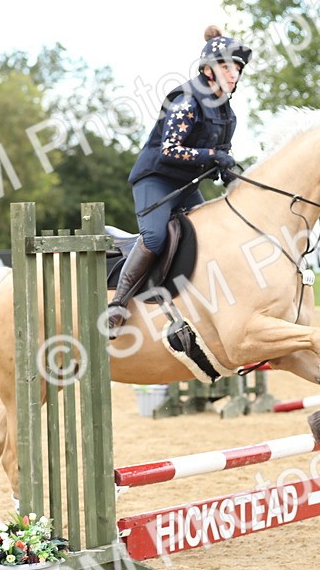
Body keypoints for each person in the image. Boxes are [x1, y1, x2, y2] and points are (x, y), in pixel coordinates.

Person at [106, 25, 253, 337]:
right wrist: (212, 154)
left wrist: (233, 177)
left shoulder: (229, 115)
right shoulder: (187, 100)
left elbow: (219, 159)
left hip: (186, 188)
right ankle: (117, 304)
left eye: (237, 69)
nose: (234, 75)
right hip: (156, 180)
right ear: (208, 70)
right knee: (156, 238)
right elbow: (170, 151)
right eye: (227, 67)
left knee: (207, 236)